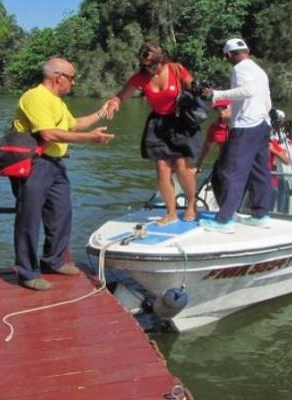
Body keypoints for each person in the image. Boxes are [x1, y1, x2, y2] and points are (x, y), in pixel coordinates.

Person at [11, 58, 115, 291]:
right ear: (59, 77)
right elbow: (48, 134)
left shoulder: (56, 101)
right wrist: (91, 139)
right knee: (29, 217)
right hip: (34, 163)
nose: (73, 82)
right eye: (71, 77)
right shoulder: (35, 97)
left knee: (61, 212)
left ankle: (53, 260)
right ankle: (27, 271)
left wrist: (102, 112)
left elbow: (73, 125)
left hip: (55, 164)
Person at [105, 43, 200, 225]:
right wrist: (114, 103)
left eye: (153, 65)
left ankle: (191, 203)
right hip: (158, 123)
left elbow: (192, 86)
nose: (150, 69)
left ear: (161, 60)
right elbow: (122, 96)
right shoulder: (141, 77)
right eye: (146, 65)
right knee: (162, 170)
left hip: (179, 121)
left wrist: (198, 89)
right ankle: (171, 212)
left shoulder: (175, 68)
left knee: (182, 167)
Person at [199, 38, 273, 234]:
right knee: (260, 172)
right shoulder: (260, 71)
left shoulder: (239, 69)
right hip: (263, 124)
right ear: (247, 50)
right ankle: (261, 214)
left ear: (228, 55)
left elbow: (247, 91)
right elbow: (267, 102)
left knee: (232, 172)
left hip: (246, 126)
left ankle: (224, 220)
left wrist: (216, 94)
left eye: (226, 57)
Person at [194, 99, 232, 202]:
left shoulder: (241, 124)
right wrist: (198, 164)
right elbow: (206, 146)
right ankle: (222, 207)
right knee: (216, 179)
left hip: (240, 162)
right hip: (223, 162)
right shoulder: (214, 127)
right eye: (218, 109)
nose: (221, 112)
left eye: (224, 108)